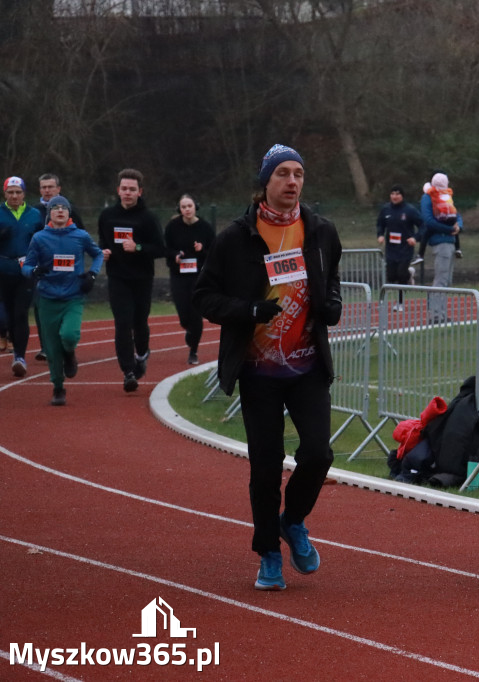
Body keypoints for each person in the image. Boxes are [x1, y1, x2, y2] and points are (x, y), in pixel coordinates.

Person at [193, 144, 343, 591]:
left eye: (298, 173)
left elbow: (329, 277)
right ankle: (267, 553)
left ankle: (292, 520)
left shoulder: (320, 230)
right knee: (265, 466)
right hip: (258, 371)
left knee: (318, 453)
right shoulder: (236, 238)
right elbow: (204, 296)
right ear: (265, 182)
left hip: (307, 366)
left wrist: (331, 302)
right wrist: (249, 310)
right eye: (282, 173)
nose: (292, 181)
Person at [21, 196, 103, 406]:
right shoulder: (39, 238)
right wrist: (36, 271)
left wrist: (92, 275)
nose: (60, 211)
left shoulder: (80, 236)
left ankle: (70, 352)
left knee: (69, 334)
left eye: (64, 208)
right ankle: (58, 387)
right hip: (47, 298)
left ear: (69, 213)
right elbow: (27, 267)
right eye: (55, 208)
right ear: (49, 213)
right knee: (51, 349)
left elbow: (98, 255)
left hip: (73, 297)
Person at [97, 168, 165, 392]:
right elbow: (101, 242)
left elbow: (160, 249)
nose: (127, 193)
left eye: (132, 189)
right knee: (122, 323)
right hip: (117, 277)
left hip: (142, 277)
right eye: (124, 189)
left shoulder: (148, 218)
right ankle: (128, 372)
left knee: (139, 322)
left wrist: (137, 247)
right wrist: (102, 252)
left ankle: (142, 353)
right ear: (118, 190)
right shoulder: (107, 216)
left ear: (140, 192)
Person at [35, 173, 85, 362]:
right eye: (43, 187)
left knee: (65, 306)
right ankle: (46, 347)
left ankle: (66, 343)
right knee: (42, 306)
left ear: (58, 189)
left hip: (67, 269)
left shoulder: (70, 210)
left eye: (50, 187)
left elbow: (82, 238)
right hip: (43, 269)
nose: (47, 191)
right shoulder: (34, 212)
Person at [164, 194, 215, 364]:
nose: (186, 209)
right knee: (184, 315)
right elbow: (166, 249)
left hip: (199, 276)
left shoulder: (205, 228)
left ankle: (193, 350)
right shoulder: (173, 226)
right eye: (183, 207)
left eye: (189, 206)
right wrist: (175, 256)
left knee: (196, 314)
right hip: (178, 275)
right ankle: (189, 330)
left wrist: (202, 250)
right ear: (179, 209)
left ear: (195, 207)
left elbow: (214, 254)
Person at [0, 176, 44, 377]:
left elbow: (43, 240)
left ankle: (19, 356)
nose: (15, 196)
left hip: (26, 270)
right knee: (6, 316)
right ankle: (10, 339)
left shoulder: (34, 214)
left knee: (20, 314)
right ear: (5, 194)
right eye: (11, 192)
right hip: (3, 269)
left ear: (24, 194)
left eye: (18, 192)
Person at [420, 173, 463, 323]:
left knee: (446, 280)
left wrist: (459, 226)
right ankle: (436, 315)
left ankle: (441, 314)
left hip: (450, 241)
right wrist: (449, 230)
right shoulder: (428, 197)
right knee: (441, 280)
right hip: (441, 242)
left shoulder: (445, 196)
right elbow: (428, 220)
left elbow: (455, 213)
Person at [375, 185, 421, 311]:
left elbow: (423, 226)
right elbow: (380, 224)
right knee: (391, 276)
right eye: (393, 194)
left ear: (402, 196)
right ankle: (409, 273)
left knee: (400, 275)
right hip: (391, 249)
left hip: (405, 248)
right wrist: (380, 235)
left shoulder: (409, 210)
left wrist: (415, 238)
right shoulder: (385, 210)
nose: (395, 196)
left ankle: (400, 303)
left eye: (398, 194)